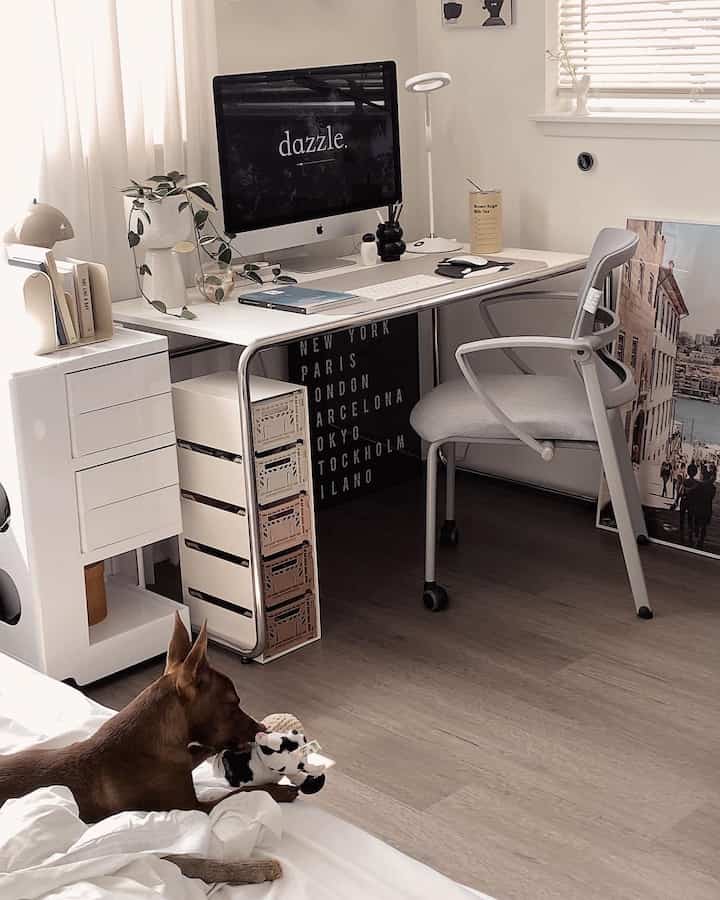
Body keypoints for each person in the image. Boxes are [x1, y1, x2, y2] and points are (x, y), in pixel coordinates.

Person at [689, 469, 716, 550]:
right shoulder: (713, 488)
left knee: (697, 524)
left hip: (699, 507)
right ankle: (700, 541)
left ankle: (697, 538)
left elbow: (693, 494)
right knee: (703, 526)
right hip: (707, 509)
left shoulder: (699, 485)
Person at [679, 463, 699, 544]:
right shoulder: (696, 483)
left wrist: (676, 501)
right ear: (695, 473)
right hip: (691, 503)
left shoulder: (685, 481)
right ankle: (690, 538)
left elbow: (680, 492)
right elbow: (698, 497)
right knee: (690, 520)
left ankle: (681, 537)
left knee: (682, 520)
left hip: (683, 501)